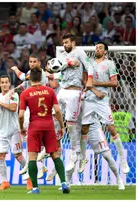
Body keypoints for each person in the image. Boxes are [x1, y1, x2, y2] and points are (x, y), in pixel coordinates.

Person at [79, 41, 130, 174]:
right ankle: (82, 159)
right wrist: (93, 88)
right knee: (84, 128)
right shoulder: (89, 63)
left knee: (111, 128)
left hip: (103, 101)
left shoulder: (109, 64)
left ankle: (123, 161)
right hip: (90, 99)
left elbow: (115, 82)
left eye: (100, 48)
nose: (97, 49)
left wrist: (97, 83)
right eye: (96, 47)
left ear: (105, 51)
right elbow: (85, 80)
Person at [18, 67, 69, 194]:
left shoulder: (25, 93)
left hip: (34, 127)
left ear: (30, 79)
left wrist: (21, 128)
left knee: (32, 158)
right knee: (55, 155)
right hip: (49, 126)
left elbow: (20, 115)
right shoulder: (50, 91)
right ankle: (64, 183)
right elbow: (57, 111)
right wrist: (62, 126)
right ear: (41, 77)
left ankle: (35, 188)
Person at [56, 33, 93, 172]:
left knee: (71, 124)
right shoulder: (61, 55)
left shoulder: (80, 52)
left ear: (73, 42)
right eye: (63, 43)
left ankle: (74, 153)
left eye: (66, 42)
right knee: (54, 117)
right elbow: (57, 70)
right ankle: (52, 148)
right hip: (62, 90)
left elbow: (89, 66)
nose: (64, 45)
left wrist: (89, 80)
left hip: (74, 92)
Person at [0, 75, 26, 190]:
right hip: (3, 131)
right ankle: (4, 182)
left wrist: (0, 103)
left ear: (9, 83)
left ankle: (30, 179)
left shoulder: (14, 94)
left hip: (14, 130)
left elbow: (13, 108)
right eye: (2, 82)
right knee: (0, 155)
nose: (4, 84)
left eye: (6, 82)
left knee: (18, 155)